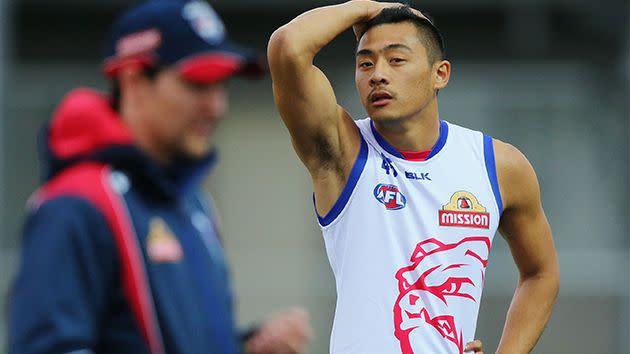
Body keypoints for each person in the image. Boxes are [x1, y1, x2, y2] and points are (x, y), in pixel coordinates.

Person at [8, 0, 311, 353]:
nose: (217, 107)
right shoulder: (76, 205)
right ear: (134, 80)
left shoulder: (192, 202)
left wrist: (246, 347)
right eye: (198, 84)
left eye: (222, 86)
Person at [267, 1, 560, 353]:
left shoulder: (498, 165)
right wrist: (370, 8)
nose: (377, 74)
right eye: (365, 63)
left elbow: (541, 274)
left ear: (441, 74)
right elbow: (288, 47)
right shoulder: (342, 152)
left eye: (396, 59)